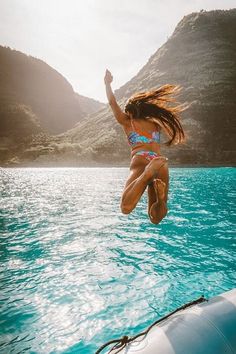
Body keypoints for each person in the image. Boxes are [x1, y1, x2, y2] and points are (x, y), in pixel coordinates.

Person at [104, 69, 187, 224]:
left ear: (130, 112)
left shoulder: (128, 121)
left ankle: (146, 174)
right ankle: (161, 200)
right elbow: (155, 220)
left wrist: (107, 84)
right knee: (155, 218)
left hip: (142, 158)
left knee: (125, 207)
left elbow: (112, 103)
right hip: (160, 161)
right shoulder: (156, 124)